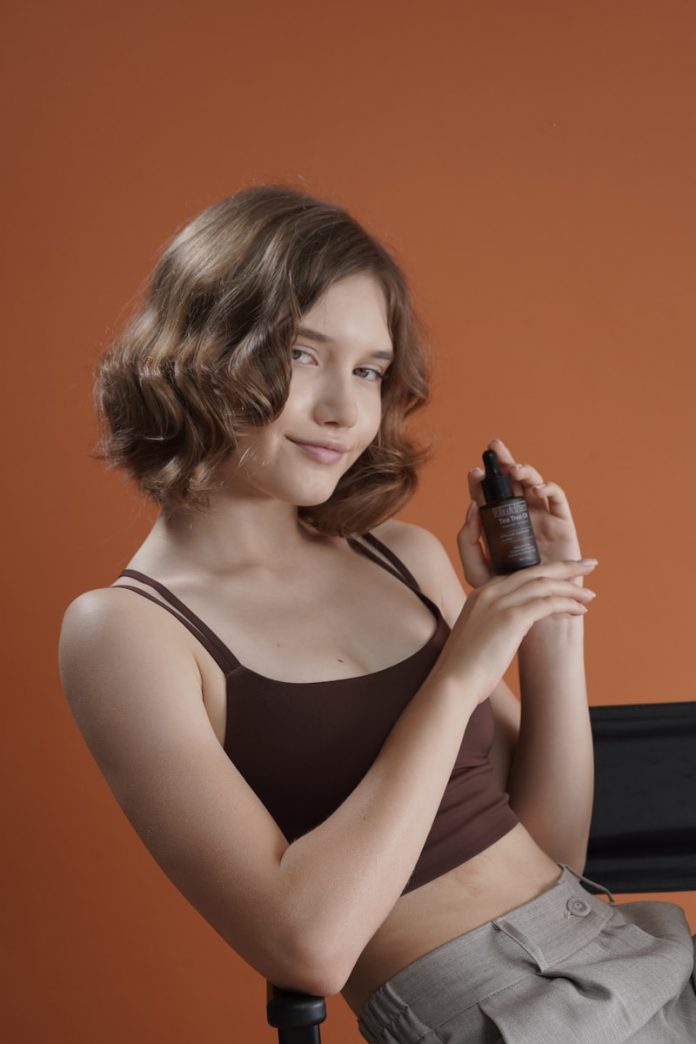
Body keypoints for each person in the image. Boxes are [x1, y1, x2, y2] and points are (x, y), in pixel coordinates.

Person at [58, 184, 696, 1042]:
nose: (345, 410)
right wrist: (463, 668)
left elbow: (556, 856)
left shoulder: (402, 556)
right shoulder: (127, 632)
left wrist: (547, 620)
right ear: (199, 354)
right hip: (492, 1014)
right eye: (302, 355)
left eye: (368, 369)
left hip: (635, 956)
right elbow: (307, 948)